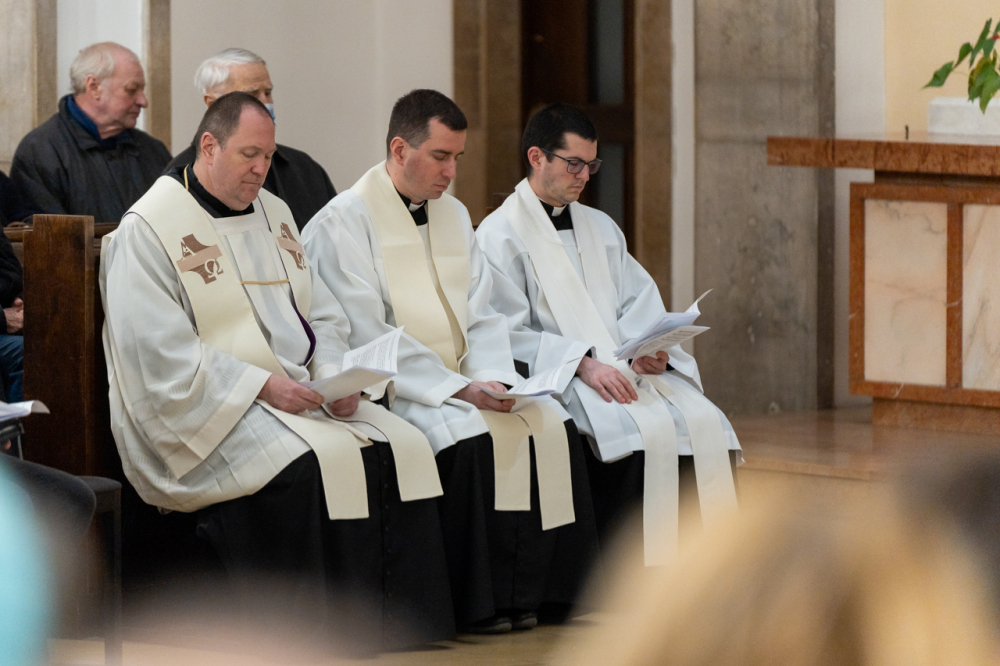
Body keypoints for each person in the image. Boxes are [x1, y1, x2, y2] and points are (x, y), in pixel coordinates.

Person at [100, 91, 453, 654]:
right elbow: (158, 354)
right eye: (249, 155)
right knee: (311, 466)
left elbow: (322, 315)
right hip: (211, 407)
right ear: (209, 146)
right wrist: (263, 386)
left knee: (400, 446)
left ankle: (398, 626)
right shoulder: (150, 228)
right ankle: (310, 635)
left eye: (268, 156)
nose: (262, 169)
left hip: (298, 392)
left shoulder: (276, 215)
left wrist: (336, 377)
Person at [302, 89, 599, 634]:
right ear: (399, 149)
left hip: (468, 377)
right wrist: (458, 390)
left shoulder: (455, 215)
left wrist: (496, 378)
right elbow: (367, 330)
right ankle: (480, 603)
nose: (452, 172)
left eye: (458, 157)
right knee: (472, 440)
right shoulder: (342, 222)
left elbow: (483, 312)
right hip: (403, 388)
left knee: (552, 424)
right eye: (441, 157)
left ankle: (542, 596)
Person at [476, 103, 741, 566]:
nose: (585, 176)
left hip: (623, 369)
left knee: (706, 424)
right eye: (573, 164)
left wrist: (648, 350)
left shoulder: (600, 227)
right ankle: (631, 576)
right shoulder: (499, 236)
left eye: (591, 165)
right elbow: (502, 331)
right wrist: (581, 363)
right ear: (536, 157)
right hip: (563, 376)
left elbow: (636, 302)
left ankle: (707, 574)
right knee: (628, 434)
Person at [165, 48, 336, 231]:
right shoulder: (180, 180)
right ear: (213, 103)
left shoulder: (304, 167)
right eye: (252, 95)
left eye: (268, 93)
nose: (265, 103)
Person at [10, 42, 171, 222]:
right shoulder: (39, 153)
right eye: (131, 90)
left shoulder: (153, 151)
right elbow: (48, 235)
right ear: (94, 87)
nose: (143, 101)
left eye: (142, 90)